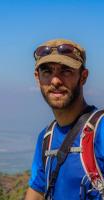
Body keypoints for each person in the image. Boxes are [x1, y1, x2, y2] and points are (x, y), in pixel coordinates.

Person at [25, 39, 104, 200]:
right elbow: (36, 193)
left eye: (66, 71)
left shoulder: (100, 131)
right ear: (37, 78)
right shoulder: (46, 138)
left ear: (83, 77)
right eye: (47, 71)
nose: (55, 81)